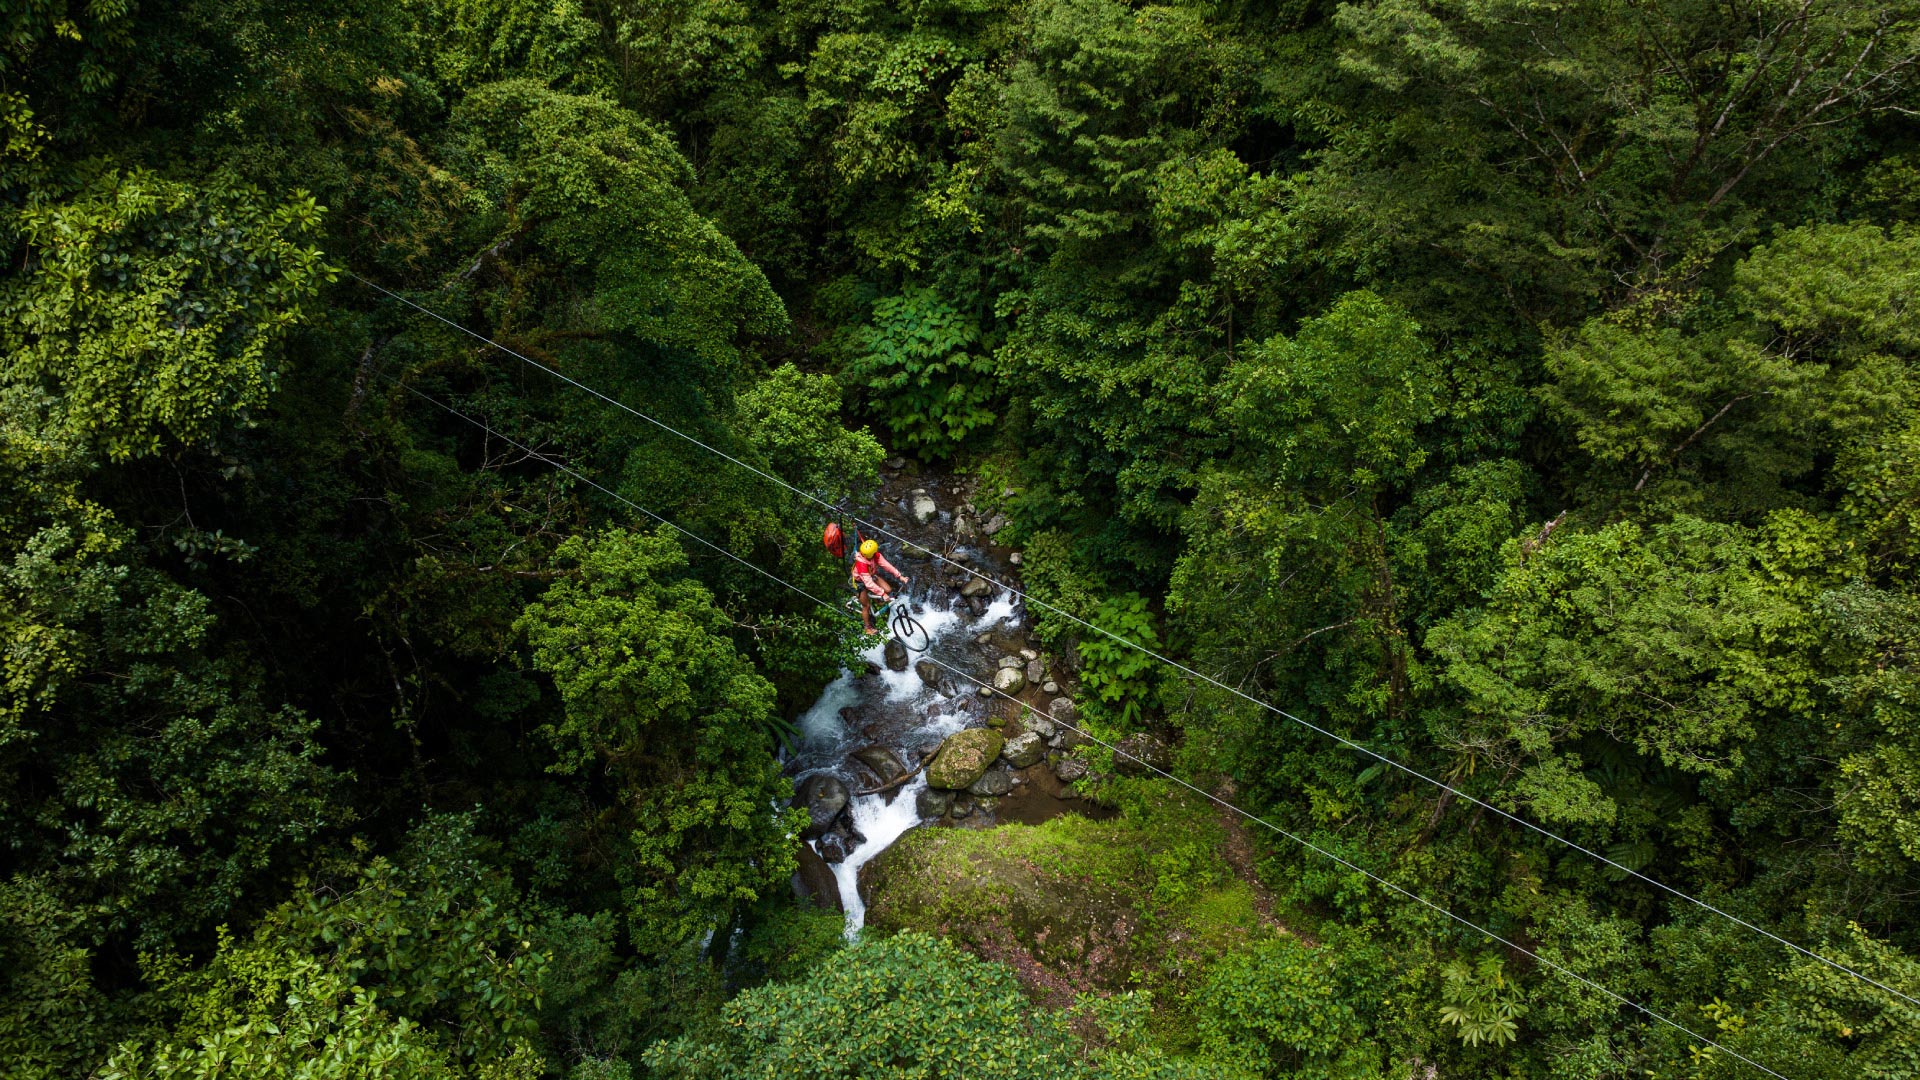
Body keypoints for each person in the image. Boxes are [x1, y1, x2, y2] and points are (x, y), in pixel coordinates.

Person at [851, 538, 909, 635]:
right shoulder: (861, 564)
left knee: (888, 589)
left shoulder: (875, 555)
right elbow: (868, 584)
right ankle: (867, 628)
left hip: (871, 575)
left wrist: (900, 576)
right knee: (866, 606)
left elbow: (887, 566)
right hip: (860, 582)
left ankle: (877, 600)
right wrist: (882, 593)